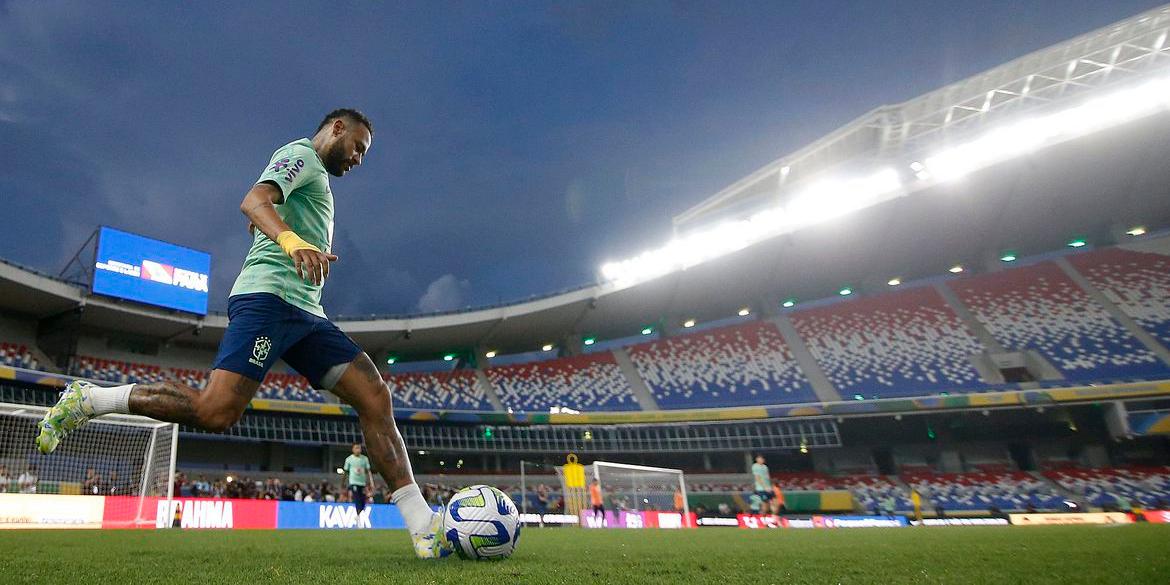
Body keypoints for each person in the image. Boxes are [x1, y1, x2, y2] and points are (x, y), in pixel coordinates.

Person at [34, 109, 447, 558]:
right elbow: (253, 200)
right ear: (338, 129)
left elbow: (268, 206)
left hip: (306, 312)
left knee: (374, 396)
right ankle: (91, 399)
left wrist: (278, 225)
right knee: (216, 412)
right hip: (268, 301)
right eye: (358, 148)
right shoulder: (301, 154)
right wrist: (290, 240)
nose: (359, 159)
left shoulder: (316, 181)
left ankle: (423, 525)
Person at [344, 443, 373, 520]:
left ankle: (359, 513)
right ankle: (358, 514)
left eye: (359, 448)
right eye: (356, 448)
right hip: (353, 482)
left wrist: (371, 482)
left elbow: (368, 471)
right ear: (352, 449)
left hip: (362, 483)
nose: (358, 450)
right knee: (357, 497)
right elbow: (345, 472)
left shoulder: (364, 459)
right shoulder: (349, 459)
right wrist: (343, 482)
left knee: (363, 498)